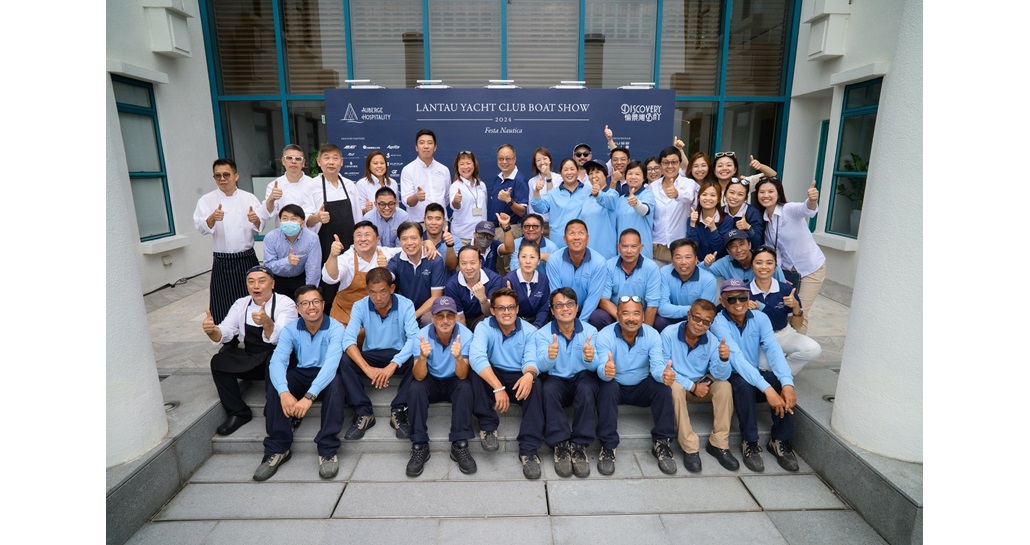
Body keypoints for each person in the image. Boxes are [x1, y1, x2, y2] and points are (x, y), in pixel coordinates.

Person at [254, 285, 346, 481]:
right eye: (305, 303)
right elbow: (278, 361)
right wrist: (284, 392)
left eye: (315, 301)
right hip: (301, 373)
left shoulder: (336, 327)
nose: (311, 307)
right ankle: (278, 448)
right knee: (278, 381)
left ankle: (327, 449)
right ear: (297, 308)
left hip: (325, 375)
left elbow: (331, 365)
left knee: (336, 383)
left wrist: (308, 397)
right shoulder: (290, 329)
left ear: (323, 304)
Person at [709, 279, 798, 473]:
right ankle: (749, 442)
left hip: (753, 372)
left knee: (779, 382)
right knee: (744, 385)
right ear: (722, 301)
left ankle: (780, 440)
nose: (738, 303)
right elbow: (737, 359)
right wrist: (767, 390)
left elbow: (774, 351)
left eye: (742, 297)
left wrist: (787, 384)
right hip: (731, 374)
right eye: (731, 299)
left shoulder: (760, 318)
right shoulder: (718, 323)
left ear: (748, 297)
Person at [203, 265, 298, 436]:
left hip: (279, 359)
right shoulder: (241, 304)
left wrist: (267, 322)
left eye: (262, 281)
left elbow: (283, 338)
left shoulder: (286, 303)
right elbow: (226, 331)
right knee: (219, 361)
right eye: (251, 282)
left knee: (275, 358)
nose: (256, 286)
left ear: (272, 284)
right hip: (253, 357)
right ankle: (238, 412)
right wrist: (212, 330)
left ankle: (274, 409)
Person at [468, 287, 546, 479]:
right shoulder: (484, 327)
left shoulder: (529, 331)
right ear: (493, 310)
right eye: (501, 308)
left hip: (518, 376)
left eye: (511, 307)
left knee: (536, 385)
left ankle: (529, 450)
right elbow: (477, 357)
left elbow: (531, 358)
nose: (506, 312)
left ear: (517, 309)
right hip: (495, 375)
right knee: (476, 372)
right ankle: (488, 426)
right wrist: (498, 387)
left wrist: (529, 374)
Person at [594, 296, 678, 475]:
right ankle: (608, 446)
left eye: (636, 313)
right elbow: (601, 366)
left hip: (641, 385)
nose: (631, 318)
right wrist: (605, 371)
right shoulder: (604, 335)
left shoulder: (652, 335)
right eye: (625, 313)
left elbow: (657, 366)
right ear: (617, 315)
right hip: (615, 384)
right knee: (606, 387)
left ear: (643, 316)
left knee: (663, 388)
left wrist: (663, 375)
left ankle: (662, 442)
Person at [338, 267, 420, 440]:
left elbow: (414, 339)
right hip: (372, 354)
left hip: (397, 354)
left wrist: (393, 365)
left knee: (418, 357)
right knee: (345, 359)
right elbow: (348, 340)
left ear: (391, 288)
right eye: (373, 292)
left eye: (383, 291)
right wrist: (367, 369)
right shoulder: (360, 306)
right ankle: (364, 412)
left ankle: (399, 409)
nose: (378, 297)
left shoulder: (406, 304)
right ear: (367, 290)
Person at [659, 298, 739, 473]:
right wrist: (692, 386)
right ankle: (689, 447)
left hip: (702, 385)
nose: (700, 325)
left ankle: (719, 443)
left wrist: (724, 359)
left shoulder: (712, 341)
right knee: (672, 387)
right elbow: (664, 369)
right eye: (696, 318)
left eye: (706, 321)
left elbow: (720, 374)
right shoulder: (669, 334)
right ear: (689, 315)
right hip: (679, 384)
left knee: (724, 386)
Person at [535, 287, 604, 478]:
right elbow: (540, 366)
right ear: (552, 310)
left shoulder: (589, 331)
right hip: (556, 377)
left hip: (582, 376)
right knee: (547, 389)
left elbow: (596, 367)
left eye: (569, 304)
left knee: (587, 388)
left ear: (576, 307)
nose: (565, 309)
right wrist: (549, 357)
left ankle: (579, 445)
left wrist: (590, 358)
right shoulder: (543, 334)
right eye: (559, 305)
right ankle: (560, 445)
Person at [405, 296, 478, 477]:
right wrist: (422, 357)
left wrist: (459, 357)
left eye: (450, 315)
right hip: (431, 379)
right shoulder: (420, 336)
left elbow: (462, 374)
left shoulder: (466, 335)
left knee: (465, 386)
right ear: (432, 317)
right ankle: (419, 444)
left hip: (454, 379)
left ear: (456, 317)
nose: (445, 320)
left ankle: (460, 443)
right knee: (415, 387)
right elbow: (419, 375)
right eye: (440, 316)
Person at [194, 158, 263, 323]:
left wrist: (255, 219)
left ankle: (252, 332)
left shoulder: (249, 198)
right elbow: (201, 228)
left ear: (236, 176)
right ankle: (226, 336)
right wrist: (212, 217)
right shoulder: (206, 200)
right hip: (222, 260)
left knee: (252, 299)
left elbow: (260, 225)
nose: (222, 179)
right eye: (218, 176)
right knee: (222, 303)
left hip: (246, 258)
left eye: (226, 175)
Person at [753, 177, 825, 334]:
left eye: (770, 191)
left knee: (799, 312)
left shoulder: (788, 209)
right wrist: (779, 274)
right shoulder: (765, 220)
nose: (766, 195)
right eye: (762, 192)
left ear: (778, 193)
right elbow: (775, 253)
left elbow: (806, 209)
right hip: (788, 273)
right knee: (786, 312)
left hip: (811, 269)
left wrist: (812, 200)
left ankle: (800, 348)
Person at [749, 245, 822, 375]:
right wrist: (745, 310)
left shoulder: (787, 290)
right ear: (752, 266)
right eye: (759, 262)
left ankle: (783, 375)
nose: (764, 267)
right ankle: (777, 372)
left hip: (783, 334)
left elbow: (797, 325)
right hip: (759, 340)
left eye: (769, 263)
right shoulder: (744, 292)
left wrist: (795, 306)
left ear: (775, 266)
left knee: (813, 349)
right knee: (763, 365)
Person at [309, 144, 362, 306]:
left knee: (350, 282)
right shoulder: (311, 186)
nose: (331, 162)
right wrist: (317, 218)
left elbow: (358, 217)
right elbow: (305, 221)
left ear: (342, 162)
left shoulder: (350, 185)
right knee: (327, 286)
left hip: (349, 243)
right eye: (326, 158)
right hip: (323, 245)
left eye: (335, 158)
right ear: (319, 162)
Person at [321, 221, 399, 326]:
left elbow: (410, 249)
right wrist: (333, 255)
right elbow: (330, 278)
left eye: (367, 235)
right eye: (359, 235)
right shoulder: (347, 258)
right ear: (353, 240)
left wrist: (427, 243)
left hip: (377, 317)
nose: (363, 239)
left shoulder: (386, 253)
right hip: (346, 315)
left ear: (377, 240)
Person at [545, 219, 610, 326]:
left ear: (587, 238)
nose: (576, 237)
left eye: (581, 233)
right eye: (572, 233)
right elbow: (556, 295)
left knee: (599, 317)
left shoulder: (599, 262)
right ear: (565, 239)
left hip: (587, 310)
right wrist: (566, 320)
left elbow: (593, 297)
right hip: (562, 309)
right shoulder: (554, 260)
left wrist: (580, 324)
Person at [593, 228, 661, 330]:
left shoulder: (651, 268)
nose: (629, 251)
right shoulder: (608, 265)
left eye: (633, 246)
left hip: (641, 316)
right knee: (597, 316)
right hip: (616, 314)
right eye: (625, 246)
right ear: (618, 247)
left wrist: (644, 332)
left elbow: (652, 304)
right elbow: (603, 300)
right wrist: (623, 318)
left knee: (660, 321)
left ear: (641, 248)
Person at [387, 221, 447, 326]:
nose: (409, 243)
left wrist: (413, 315)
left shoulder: (435, 259)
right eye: (404, 239)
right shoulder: (396, 260)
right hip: (405, 309)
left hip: (429, 310)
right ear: (399, 241)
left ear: (421, 239)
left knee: (428, 320)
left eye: (414, 238)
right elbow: (386, 277)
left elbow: (436, 297)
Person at [655, 238, 717, 332]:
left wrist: (693, 313)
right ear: (672, 261)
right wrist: (691, 309)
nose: (683, 262)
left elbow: (704, 313)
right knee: (659, 321)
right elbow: (662, 308)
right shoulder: (665, 272)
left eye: (688, 257)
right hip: (673, 317)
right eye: (678, 258)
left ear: (696, 259)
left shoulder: (708, 280)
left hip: (697, 320)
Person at [530, 157, 593, 249]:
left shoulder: (589, 191)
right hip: (558, 243)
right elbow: (539, 208)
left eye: (572, 169)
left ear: (577, 171)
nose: (569, 172)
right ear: (561, 173)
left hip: (581, 242)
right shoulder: (553, 193)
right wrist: (536, 191)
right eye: (566, 170)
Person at [650, 147, 699, 263]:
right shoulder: (653, 186)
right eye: (666, 163)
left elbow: (690, 197)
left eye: (674, 162)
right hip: (658, 245)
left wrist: (677, 194)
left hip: (681, 245)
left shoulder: (689, 183)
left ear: (680, 164)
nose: (670, 166)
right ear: (660, 165)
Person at [263, 204, 322, 299]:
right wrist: (286, 262)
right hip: (277, 279)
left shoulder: (312, 238)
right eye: (285, 218)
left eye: (293, 219)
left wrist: (310, 291)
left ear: (302, 223)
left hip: (300, 278)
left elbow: (313, 268)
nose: (289, 222)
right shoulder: (270, 237)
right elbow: (268, 265)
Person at [489, 144, 529, 274]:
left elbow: (522, 211)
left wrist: (509, 200)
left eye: (508, 158)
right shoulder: (498, 179)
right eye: (501, 159)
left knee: (508, 269)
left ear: (514, 159)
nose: (504, 162)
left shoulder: (519, 180)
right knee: (497, 268)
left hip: (510, 229)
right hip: (495, 230)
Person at [445, 246, 506, 329]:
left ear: (480, 263)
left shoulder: (494, 279)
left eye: (472, 263)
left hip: (486, 318)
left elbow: (491, 313)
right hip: (463, 321)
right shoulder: (452, 285)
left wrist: (483, 299)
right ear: (459, 264)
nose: (468, 268)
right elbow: (460, 318)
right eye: (463, 263)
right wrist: (467, 336)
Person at [400, 129, 450, 223]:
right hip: (417, 224)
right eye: (422, 143)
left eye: (430, 143)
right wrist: (416, 196)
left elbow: (447, 198)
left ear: (435, 147)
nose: (426, 146)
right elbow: (407, 201)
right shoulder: (408, 170)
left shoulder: (444, 170)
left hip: (440, 223)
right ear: (416, 147)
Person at [702, 229, 788, 284]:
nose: (739, 250)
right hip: (738, 303)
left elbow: (783, 286)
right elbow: (700, 274)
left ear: (749, 245)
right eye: (733, 246)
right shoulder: (725, 263)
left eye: (741, 244)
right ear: (728, 251)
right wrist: (706, 264)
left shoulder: (765, 260)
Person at [264, 144, 317, 228]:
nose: (293, 162)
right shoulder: (273, 185)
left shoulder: (313, 184)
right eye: (289, 158)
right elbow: (267, 214)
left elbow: (316, 215)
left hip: (308, 232)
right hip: (282, 233)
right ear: (283, 161)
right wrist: (271, 199)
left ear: (303, 163)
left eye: (298, 159)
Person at [502, 240, 551, 328]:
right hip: (514, 324)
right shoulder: (509, 280)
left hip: (536, 324)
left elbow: (543, 308)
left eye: (532, 257)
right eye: (524, 257)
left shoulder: (543, 280)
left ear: (538, 260)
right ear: (518, 258)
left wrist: (537, 326)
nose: (528, 261)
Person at [613, 161, 656, 259]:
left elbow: (644, 210)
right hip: (623, 251)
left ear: (644, 177)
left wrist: (636, 204)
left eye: (637, 174)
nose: (633, 177)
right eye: (630, 174)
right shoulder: (621, 199)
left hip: (642, 250)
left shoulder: (647, 194)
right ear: (625, 176)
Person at [580, 161, 619, 259]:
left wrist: (598, 194)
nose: (593, 176)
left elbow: (609, 201)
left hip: (606, 253)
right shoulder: (587, 197)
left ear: (605, 175)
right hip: (587, 252)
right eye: (590, 173)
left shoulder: (612, 194)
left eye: (597, 172)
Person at [448, 150, 488, 243]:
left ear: (474, 165)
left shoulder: (481, 185)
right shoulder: (455, 186)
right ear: (457, 167)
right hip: (462, 236)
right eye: (462, 164)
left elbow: (485, 206)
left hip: (481, 236)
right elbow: (455, 206)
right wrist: (456, 201)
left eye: (468, 163)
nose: (465, 167)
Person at [686, 180, 731, 261]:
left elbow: (719, 249)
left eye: (713, 195)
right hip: (698, 264)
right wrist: (692, 224)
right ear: (699, 197)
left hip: (719, 264)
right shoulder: (692, 218)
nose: (708, 198)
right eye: (704, 195)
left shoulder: (727, 220)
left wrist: (713, 228)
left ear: (718, 199)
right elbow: (692, 247)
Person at [711, 151, 777, 204]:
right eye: (720, 166)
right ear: (714, 170)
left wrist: (760, 166)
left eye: (729, 165)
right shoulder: (709, 189)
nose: (724, 168)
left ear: (735, 170)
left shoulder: (744, 183)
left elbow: (772, 175)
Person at [525, 147, 560, 238]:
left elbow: (552, 199)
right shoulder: (532, 181)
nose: (542, 162)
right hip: (538, 226)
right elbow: (531, 206)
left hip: (554, 225)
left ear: (550, 161)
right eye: (538, 160)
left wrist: (548, 176)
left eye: (544, 158)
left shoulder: (559, 178)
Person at [721, 177, 764, 250]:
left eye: (740, 194)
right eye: (731, 192)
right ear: (725, 193)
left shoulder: (752, 213)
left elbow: (757, 243)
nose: (734, 197)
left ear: (746, 198)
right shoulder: (720, 212)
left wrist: (748, 228)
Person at [355, 150, 399, 217]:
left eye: (382, 163)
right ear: (369, 166)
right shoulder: (361, 184)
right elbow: (358, 212)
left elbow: (396, 207)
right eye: (375, 163)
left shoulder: (393, 183)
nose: (379, 166)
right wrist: (366, 210)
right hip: (370, 221)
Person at [423, 202, 460, 275]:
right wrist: (423, 243)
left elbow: (451, 267)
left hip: (446, 281)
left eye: (438, 219)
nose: (433, 222)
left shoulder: (454, 240)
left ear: (444, 220)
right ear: (424, 220)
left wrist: (449, 246)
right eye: (430, 218)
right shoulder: (417, 240)